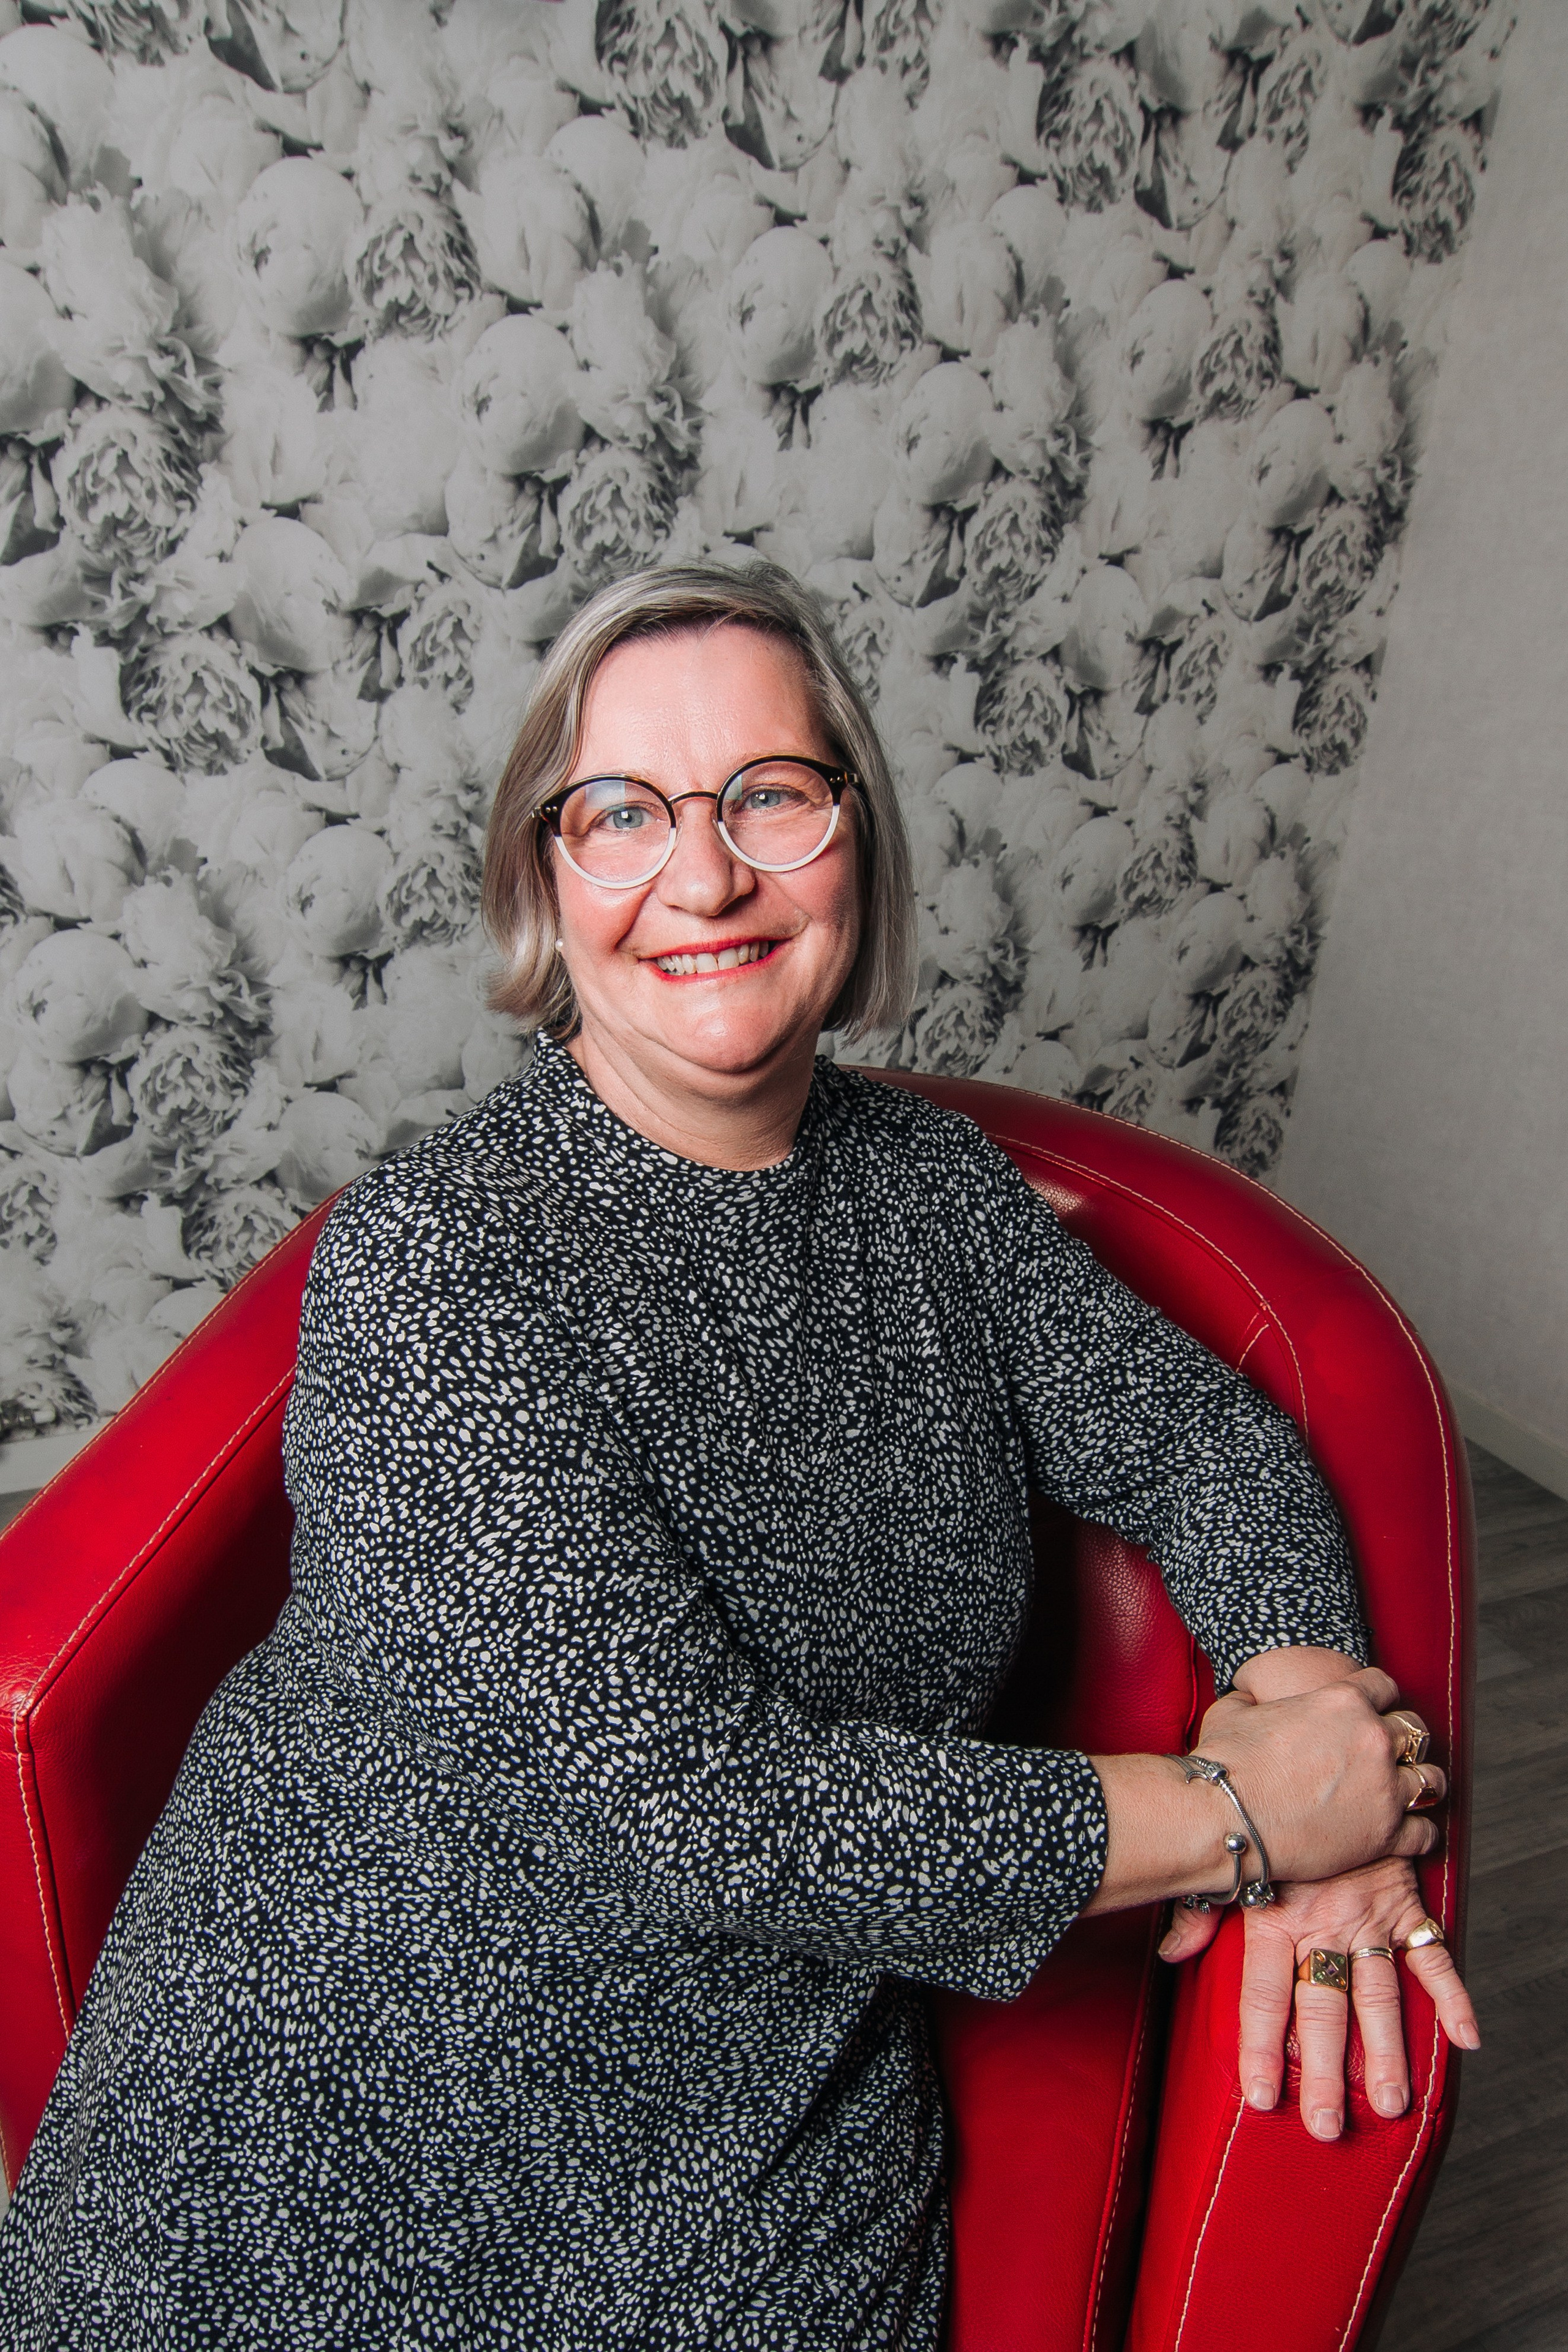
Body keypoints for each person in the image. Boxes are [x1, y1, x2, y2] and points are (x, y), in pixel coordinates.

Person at [0, 561, 1476, 2349]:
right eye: (622, 814)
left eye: (769, 796)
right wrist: (1254, 1817)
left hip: (758, 2125)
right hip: (349, 2091)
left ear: (856, 836)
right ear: (545, 877)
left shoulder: (933, 1199)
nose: (703, 879)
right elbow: (722, 1815)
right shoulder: (440, 1267)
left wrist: (1315, 1706)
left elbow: (1207, 1448)